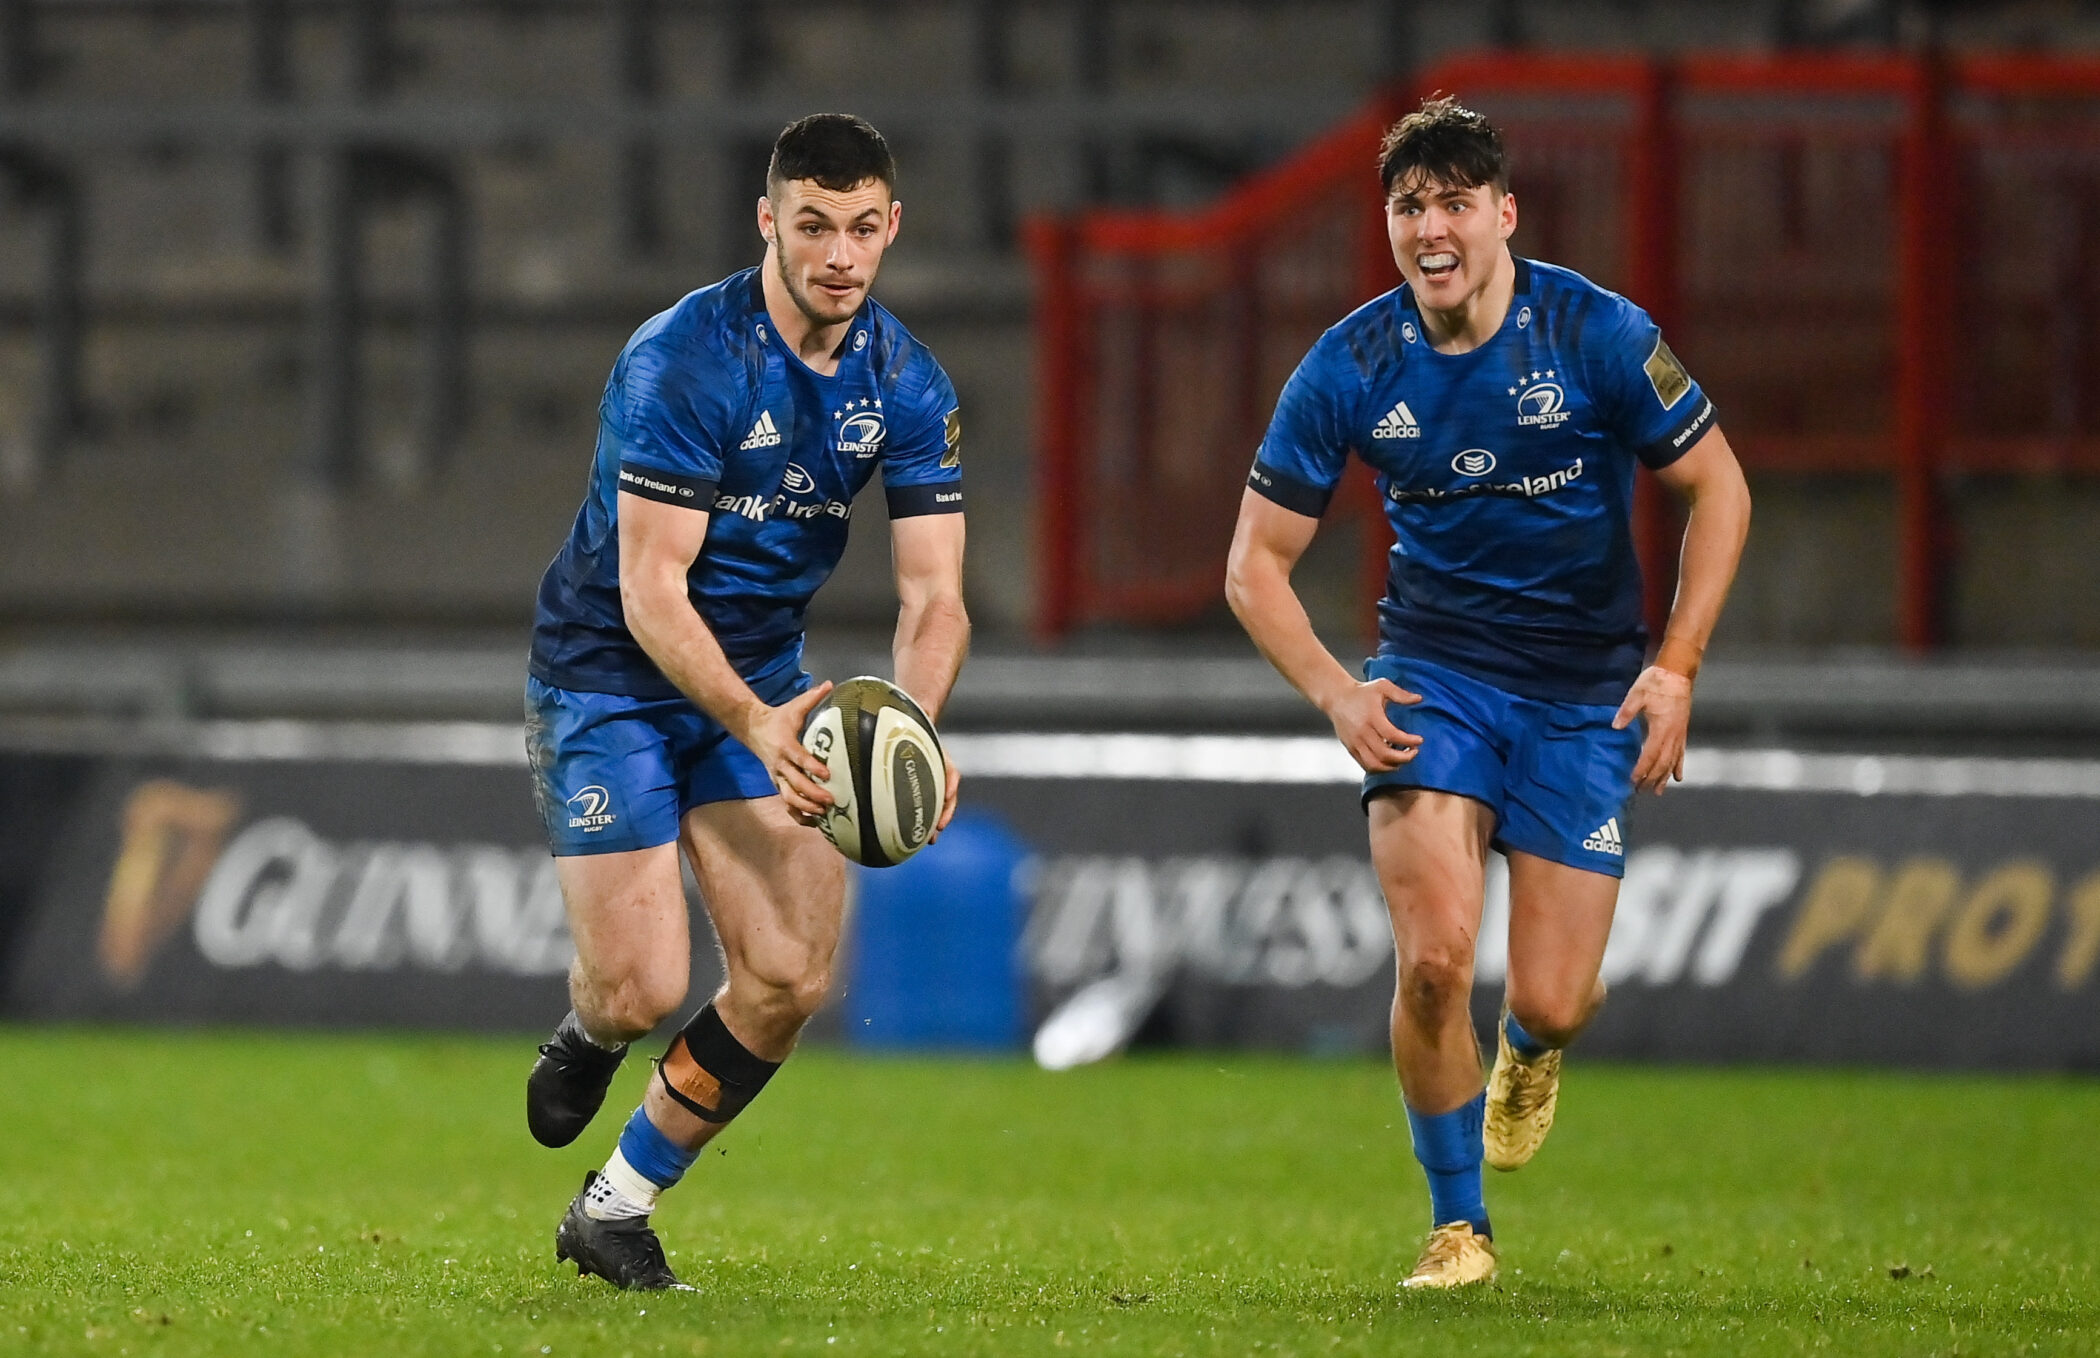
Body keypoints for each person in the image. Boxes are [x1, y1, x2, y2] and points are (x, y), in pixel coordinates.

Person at [1224, 97, 1751, 1290]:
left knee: (1555, 997)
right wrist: (1338, 694)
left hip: (1582, 696)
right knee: (1433, 961)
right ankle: (1459, 1226)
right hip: (1434, 679)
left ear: (1505, 213)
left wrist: (1676, 666)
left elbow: (1720, 489)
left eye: (1455, 203)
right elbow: (1253, 564)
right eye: (1409, 206)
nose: (1431, 229)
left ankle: (1532, 1044)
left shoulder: (1598, 333)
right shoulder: (1352, 363)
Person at [521, 113, 968, 1291]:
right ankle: (593, 1026)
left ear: (892, 228)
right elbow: (651, 590)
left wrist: (912, 727)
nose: (839, 254)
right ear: (767, 220)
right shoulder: (684, 359)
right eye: (813, 225)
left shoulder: (907, 381)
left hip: (764, 675)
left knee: (788, 976)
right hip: (611, 672)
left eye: (861, 228)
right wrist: (761, 725)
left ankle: (616, 1205)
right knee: (642, 988)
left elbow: (936, 597)